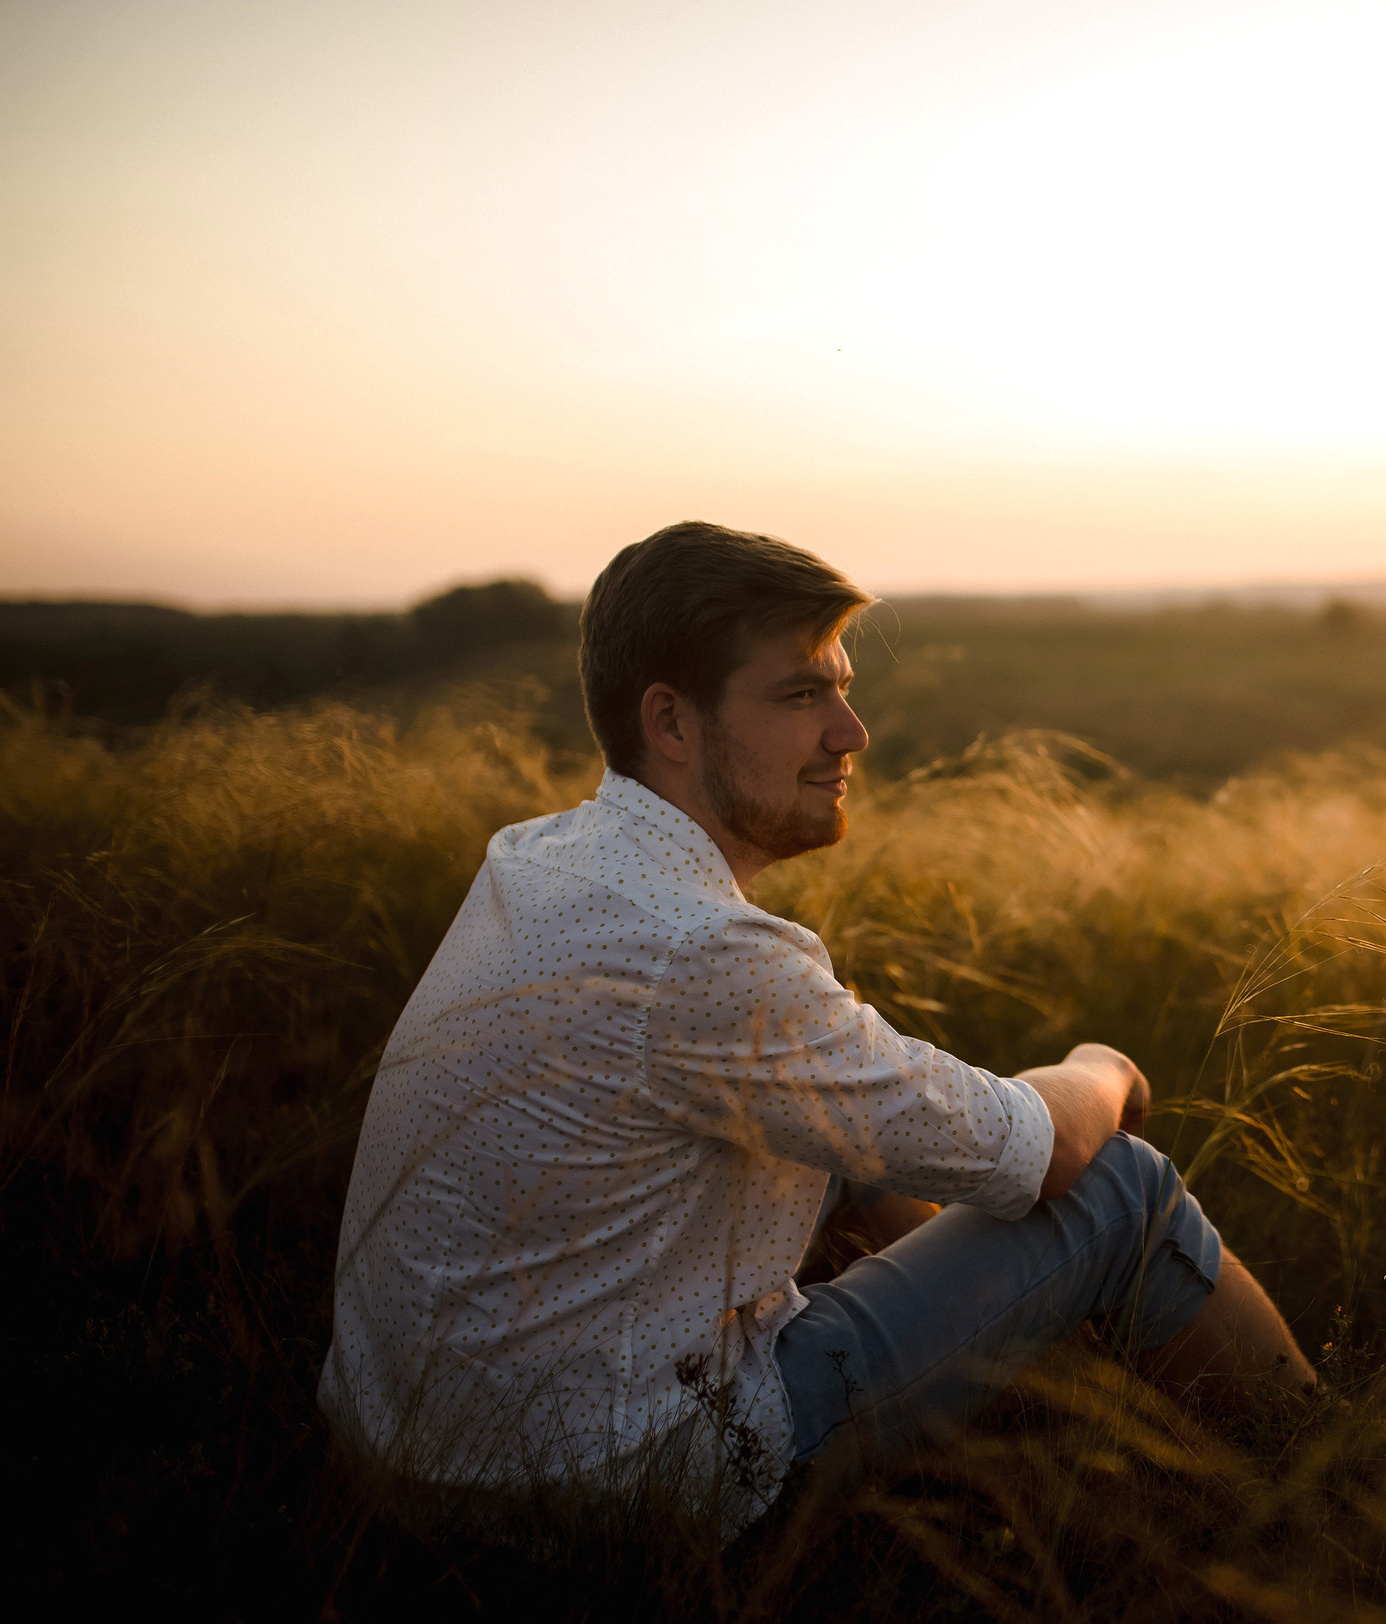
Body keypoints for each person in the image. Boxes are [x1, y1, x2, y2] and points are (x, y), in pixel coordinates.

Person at [319, 521, 1315, 1529]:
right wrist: (1103, 1066)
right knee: (1119, 1186)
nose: (850, 732)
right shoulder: (701, 950)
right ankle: (1325, 1481)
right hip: (608, 1486)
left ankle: (1006, 1411)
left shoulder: (542, 860)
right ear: (669, 721)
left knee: (858, 1133)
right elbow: (1047, 1148)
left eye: (842, 687)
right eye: (802, 694)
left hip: (408, 1453)